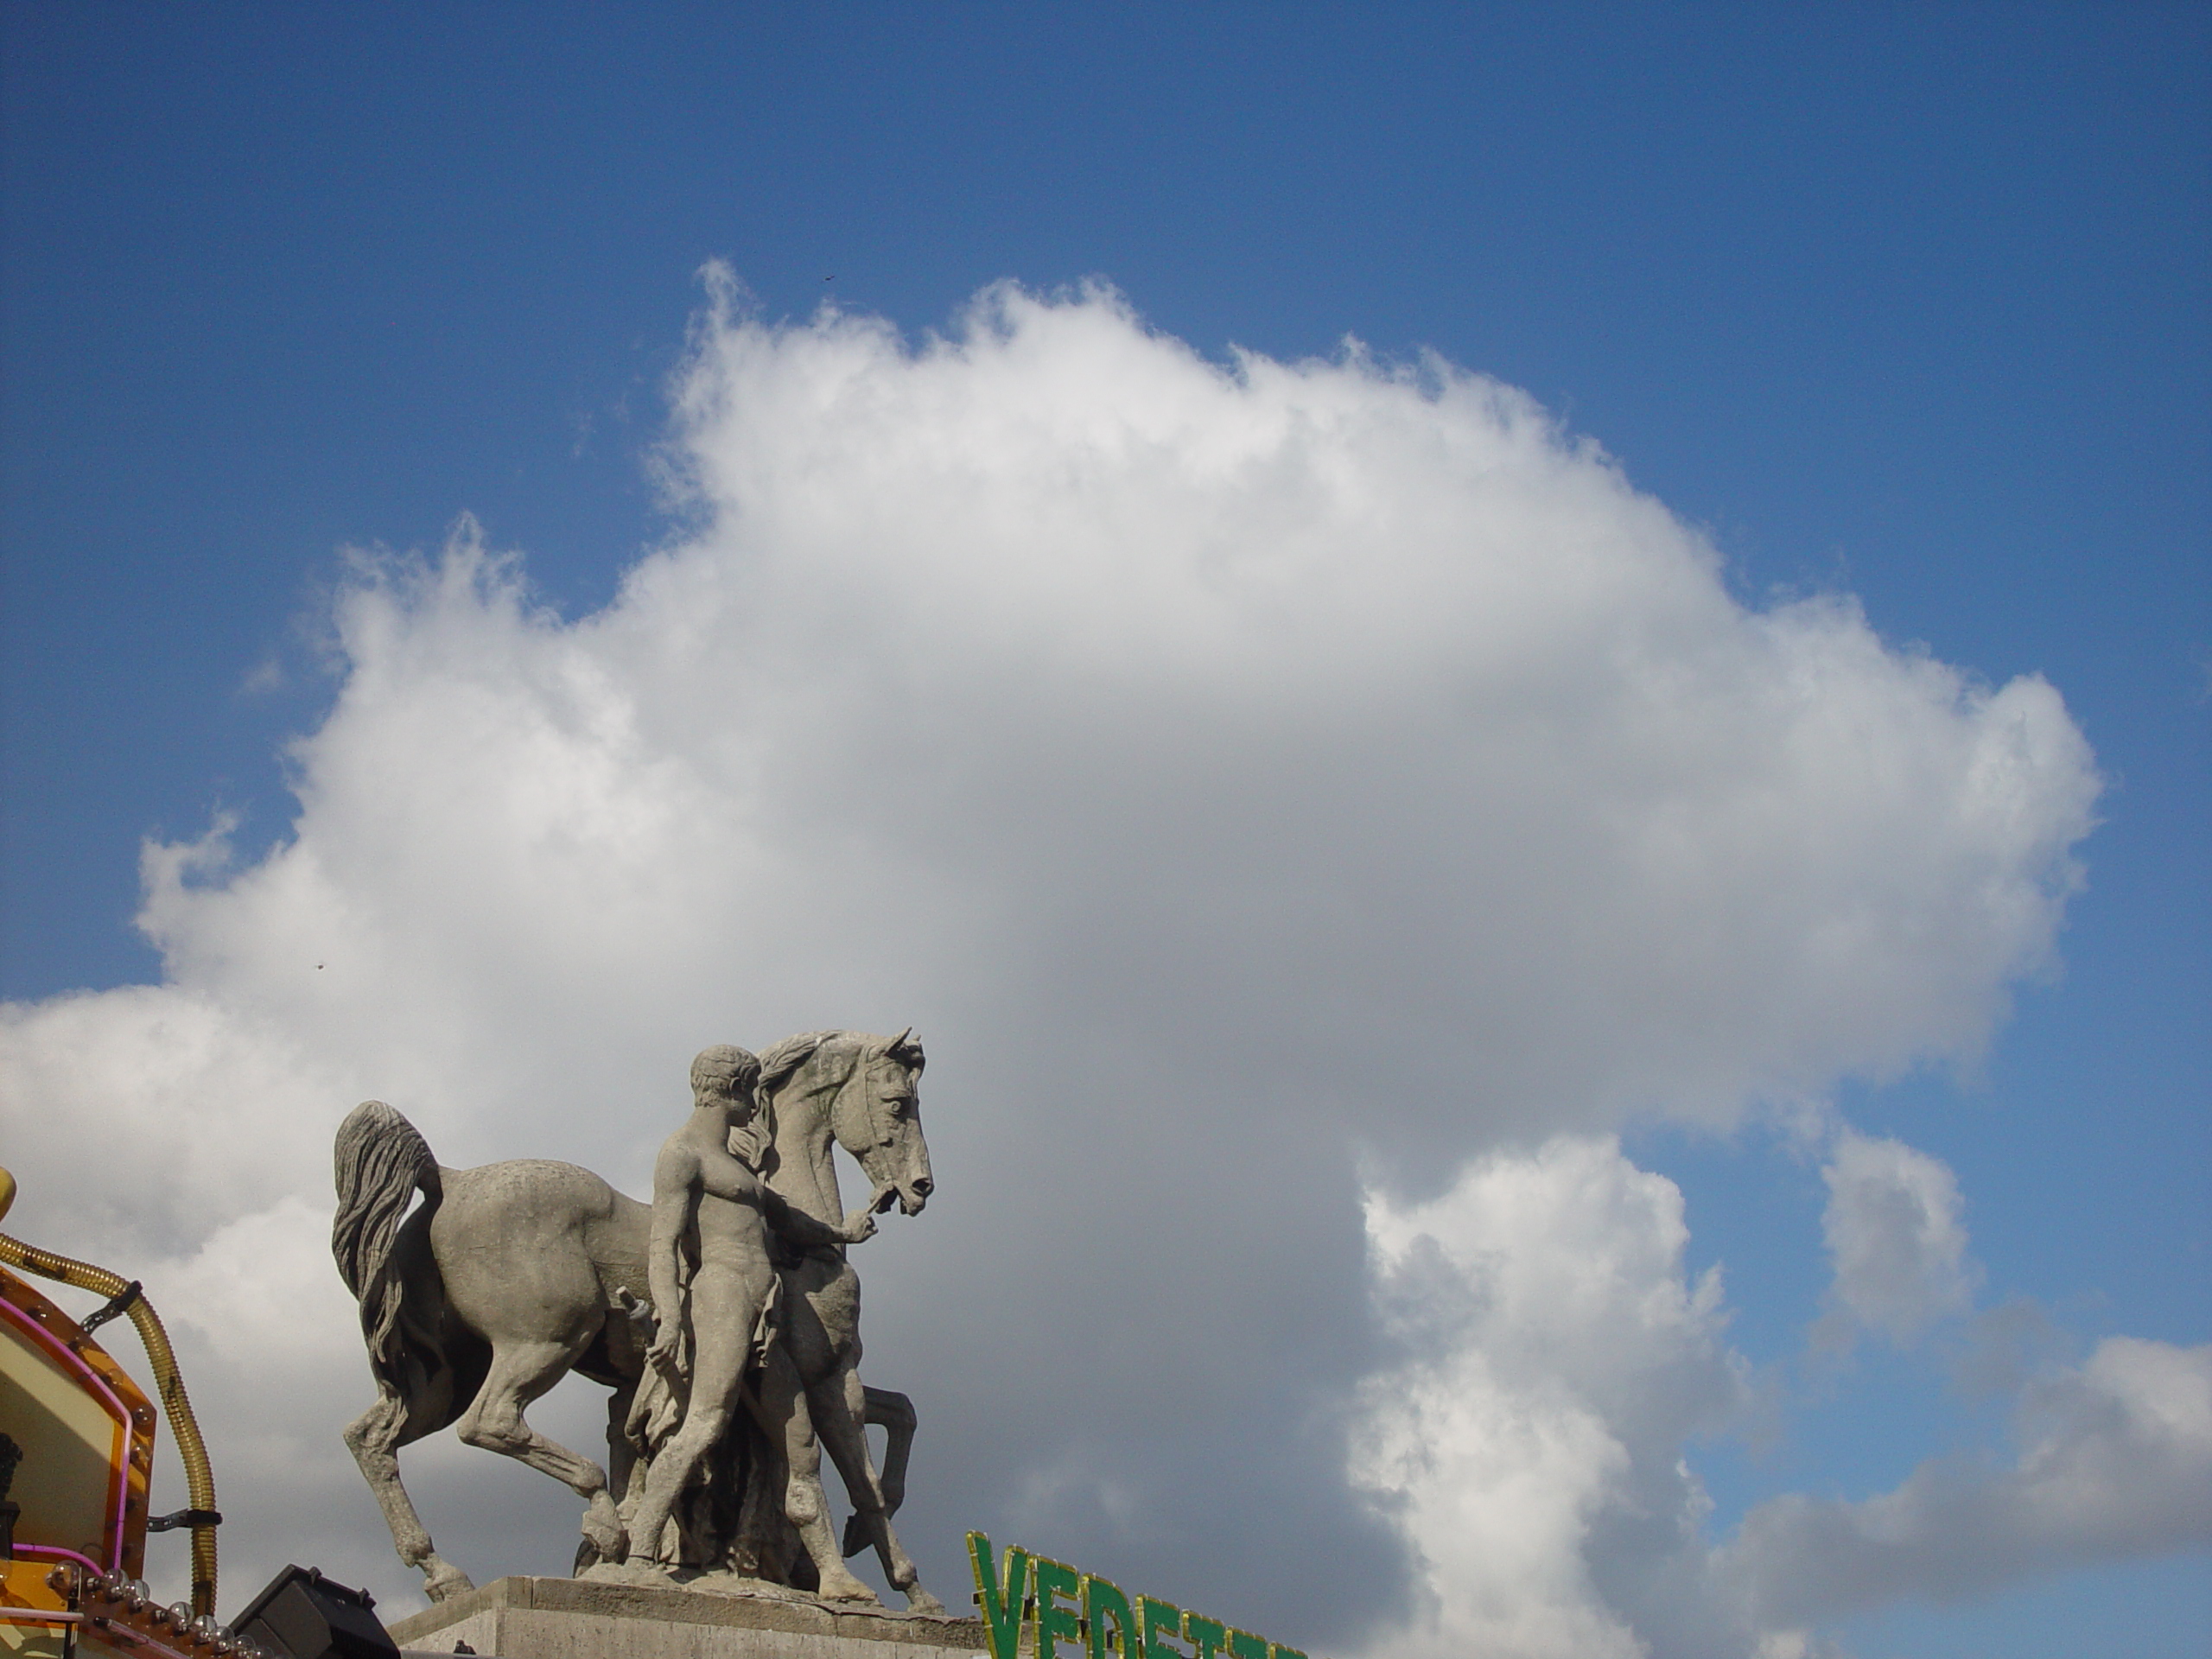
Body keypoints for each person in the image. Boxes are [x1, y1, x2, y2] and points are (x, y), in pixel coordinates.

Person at [620, 1045, 880, 1596]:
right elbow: (662, 1248)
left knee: (800, 1443)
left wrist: (842, 1234)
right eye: (753, 1090)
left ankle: (832, 1572)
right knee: (706, 1424)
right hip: (721, 1296)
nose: (757, 1104)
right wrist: (668, 1320)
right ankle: (641, 1549)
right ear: (737, 1088)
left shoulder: (735, 1162)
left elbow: (785, 1217)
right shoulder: (682, 1153)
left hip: (764, 1307)